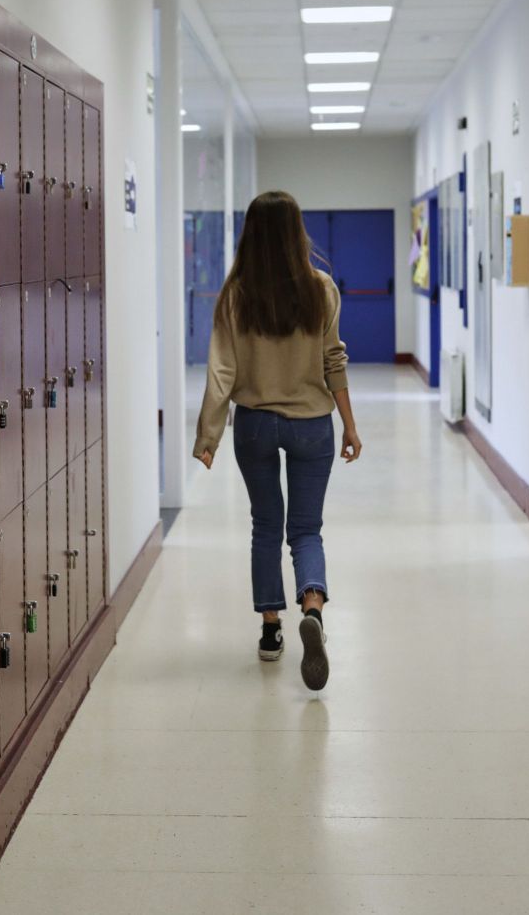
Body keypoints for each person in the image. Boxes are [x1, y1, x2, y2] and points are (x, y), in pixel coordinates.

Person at [193, 190, 361, 691]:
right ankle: (313, 606)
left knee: (266, 526)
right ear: (296, 233)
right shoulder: (322, 288)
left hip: (255, 424)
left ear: (252, 235)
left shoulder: (236, 294)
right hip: (311, 423)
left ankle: (271, 630)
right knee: (306, 529)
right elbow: (334, 360)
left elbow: (222, 372)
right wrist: (350, 425)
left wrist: (208, 435)